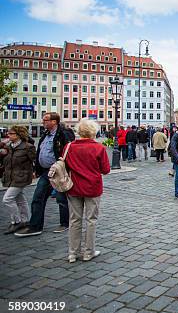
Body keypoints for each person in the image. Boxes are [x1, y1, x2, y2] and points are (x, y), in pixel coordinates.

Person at [15, 112, 74, 237]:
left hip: (58, 171)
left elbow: (69, 151)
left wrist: (65, 168)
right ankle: (35, 226)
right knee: (38, 197)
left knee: (61, 198)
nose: (43, 122)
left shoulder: (63, 134)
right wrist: (37, 168)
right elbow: (40, 152)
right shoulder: (45, 134)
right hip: (46, 171)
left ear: (54, 121)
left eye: (46, 120)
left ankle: (65, 223)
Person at [64, 119, 110, 263]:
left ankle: (72, 253)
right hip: (92, 187)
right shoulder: (98, 148)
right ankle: (88, 252)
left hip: (73, 187)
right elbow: (106, 170)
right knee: (91, 220)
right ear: (93, 132)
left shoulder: (69, 147)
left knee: (74, 220)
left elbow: (65, 166)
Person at [2, 126, 36, 234]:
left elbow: (33, 161)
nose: (8, 135)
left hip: (22, 177)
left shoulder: (27, 147)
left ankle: (16, 221)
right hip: (11, 176)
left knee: (7, 199)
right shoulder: (9, 146)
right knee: (20, 198)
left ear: (18, 135)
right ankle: (26, 220)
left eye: (11, 133)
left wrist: (34, 172)